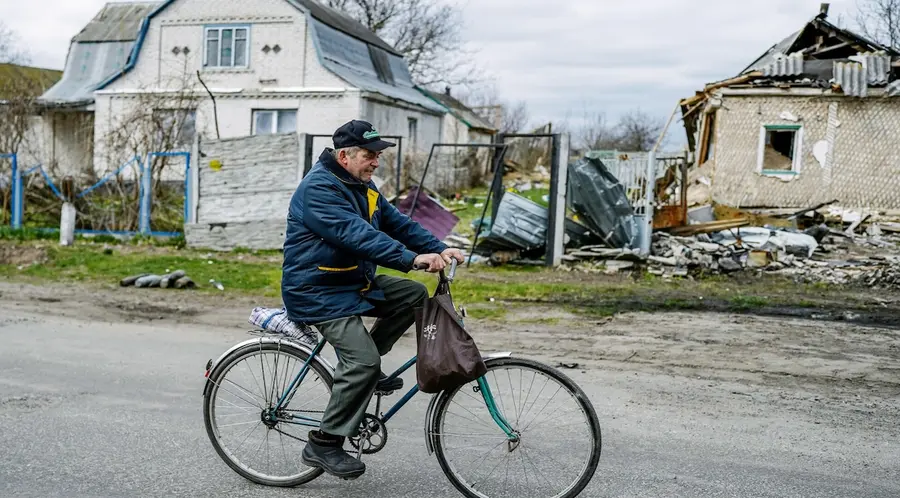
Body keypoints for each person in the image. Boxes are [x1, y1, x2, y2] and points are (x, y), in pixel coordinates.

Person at [281, 119, 464, 480]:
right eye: (370, 154)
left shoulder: (362, 185)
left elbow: (397, 224)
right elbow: (356, 235)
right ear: (345, 155)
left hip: (350, 281)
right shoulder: (319, 188)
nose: (376, 161)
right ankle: (323, 443)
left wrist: (438, 247)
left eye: (378, 154)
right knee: (361, 361)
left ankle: (364, 370)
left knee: (413, 295)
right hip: (317, 289)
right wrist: (411, 259)